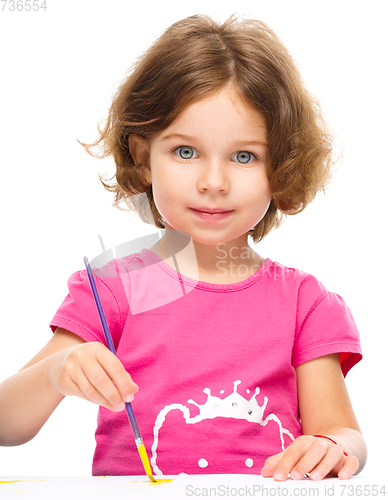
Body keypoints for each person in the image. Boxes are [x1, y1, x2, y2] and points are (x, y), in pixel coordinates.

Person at [0, 14, 366, 480]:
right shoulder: (115, 291)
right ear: (142, 156)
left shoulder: (304, 304)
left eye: (244, 156)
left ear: (282, 167)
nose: (213, 182)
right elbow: (6, 424)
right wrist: (56, 372)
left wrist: (333, 446)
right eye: (186, 152)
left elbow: (343, 433)